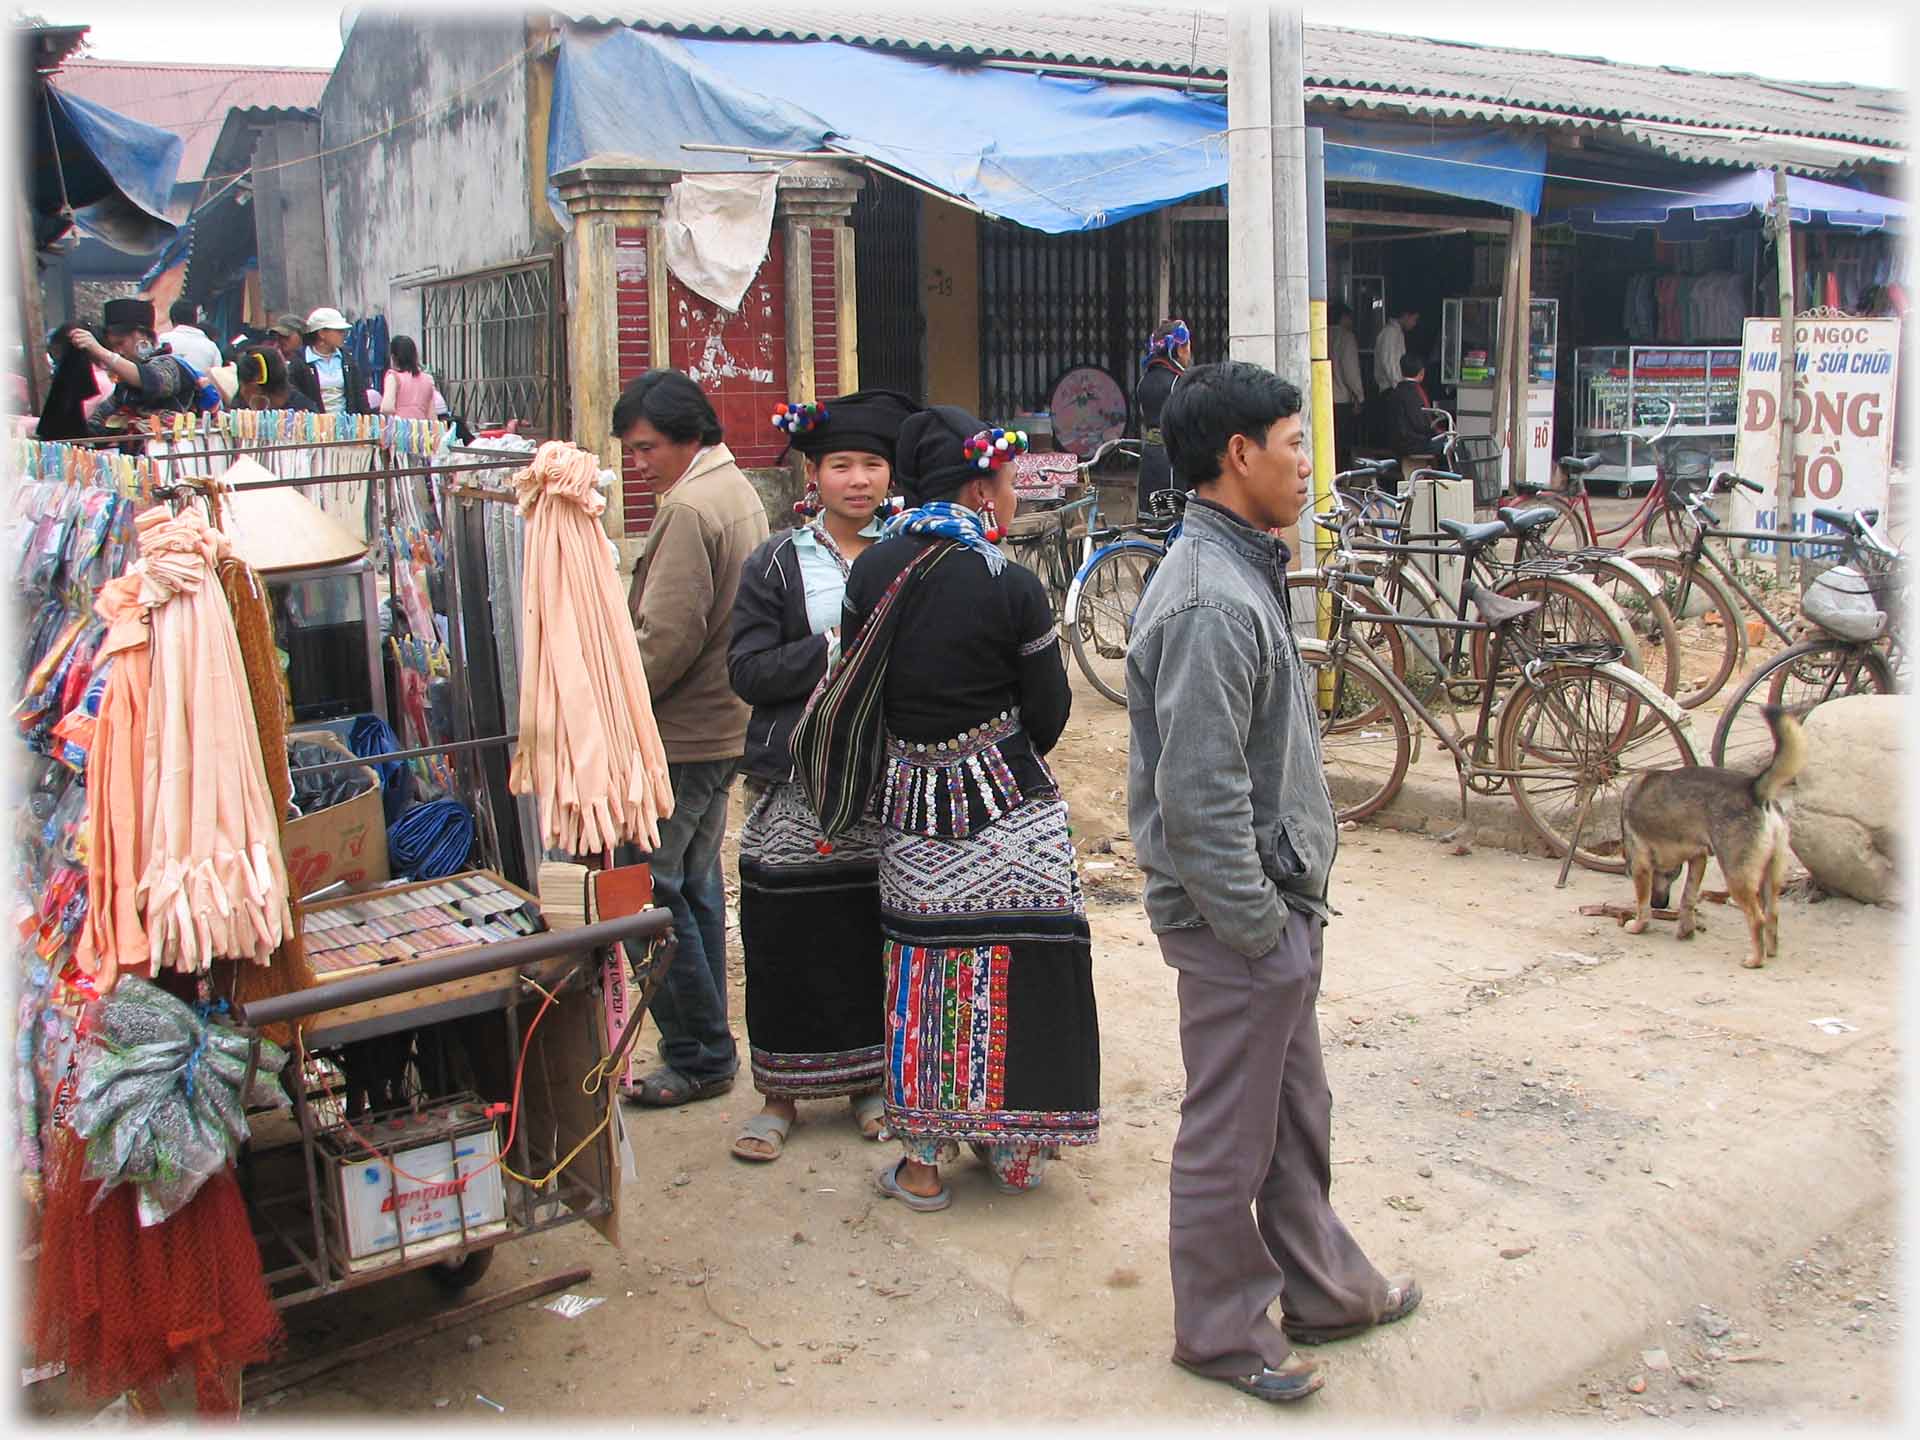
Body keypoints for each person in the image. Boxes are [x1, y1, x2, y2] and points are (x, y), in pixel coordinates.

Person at [1125, 360, 1419, 1404]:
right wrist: (1260, 935)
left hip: (1273, 909)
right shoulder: (1209, 597)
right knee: (1229, 1133)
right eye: (1297, 444)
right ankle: (1216, 1332)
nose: (1309, 465)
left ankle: (1328, 1289)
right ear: (1238, 456)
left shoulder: (1244, 564)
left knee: (1295, 1117)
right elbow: (1198, 806)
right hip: (1237, 920)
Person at [834, 405, 1101, 1210]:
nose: (1014, 496)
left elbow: (858, 696)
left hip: (913, 817)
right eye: (1011, 481)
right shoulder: (1010, 584)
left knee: (923, 975)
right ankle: (1016, 1155)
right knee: (1023, 964)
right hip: (1011, 811)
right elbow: (1047, 714)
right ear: (984, 485)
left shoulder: (869, 573)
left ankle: (920, 1164)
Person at [726, 388, 920, 1163]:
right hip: (794, 782)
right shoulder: (774, 563)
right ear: (814, 472)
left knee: (865, 930)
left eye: (873, 464)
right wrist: (836, 648)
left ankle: (869, 1085)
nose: (859, 479)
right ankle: (779, 1095)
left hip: (880, 776)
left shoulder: (909, 554)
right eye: (842, 464)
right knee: (784, 931)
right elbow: (748, 669)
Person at [616, 369, 771, 1109]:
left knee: (645, 891)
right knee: (693, 884)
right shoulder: (733, 488)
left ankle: (699, 1052)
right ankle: (708, 1045)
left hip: (685, 731)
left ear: (686, 437)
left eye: (646, 450)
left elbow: (664, 638)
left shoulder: (689, 508)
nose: (637, 465)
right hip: (724, 724)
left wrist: (606, 707)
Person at [67, 298, 220, 440]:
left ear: (143, 336)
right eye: (113, 347)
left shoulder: (170, 365)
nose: (118, 351)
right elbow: (97, 421)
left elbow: (153, 382)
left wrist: (101, 352)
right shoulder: (125, 388)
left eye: (121, 343)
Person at [1135, 318, 1192, 514]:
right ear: (1180, 349)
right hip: (1173, 459)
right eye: (1187, 347)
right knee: (1173, 518)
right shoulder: (1179, 382)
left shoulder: (1145, 380)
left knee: (1155, 518)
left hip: (1151, 455)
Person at [290, 306, 371, 417]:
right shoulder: (300, 363)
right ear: (321, 333)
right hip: (314, 428)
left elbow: (360, 396)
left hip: (346, 426)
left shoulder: (348, 360)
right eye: (338, 331)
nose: (343, 334)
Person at [1386, 352, 1443, 492]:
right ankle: (1445, 486)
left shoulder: (1396, 392)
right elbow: (1420, 424)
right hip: (1412, 442)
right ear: (1422, 373)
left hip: (1399, 440)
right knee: (1451, 446)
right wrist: (1436, 432)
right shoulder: (1412, 393)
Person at [1329, 302, 1364, 474]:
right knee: (1342, 446)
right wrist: (1360, 396)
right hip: (1342, 400)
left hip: (1323, 398)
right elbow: (1351, 370)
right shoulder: (1346, 337)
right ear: (1343, 317)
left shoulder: (1322, 334)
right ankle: (1342, 480)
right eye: (1349, 317)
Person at [233, 344, 319, 412]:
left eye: (242, 384)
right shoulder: (240, 408)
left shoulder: (304, 417)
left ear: (256, 381)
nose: (241, 391)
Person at [380, 335, 439, 420]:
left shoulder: (393, 377)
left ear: (393, 357)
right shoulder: (428, 380)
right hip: (421, 429)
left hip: (400, 429)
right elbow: (432, 416)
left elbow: (387, 408)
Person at [161, 301, 224, 374]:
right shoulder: (211, 346)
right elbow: (218, 378)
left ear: (172, 319)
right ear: (196, 319)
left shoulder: (162, 340)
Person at [1372, 307, 1418, 397]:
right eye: (1414, 319)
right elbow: (1389, 363)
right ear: (1406, 316)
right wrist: (1399, 387)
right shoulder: (1390, 332)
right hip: (1391, 388)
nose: (1414, 324)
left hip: (1394, 387)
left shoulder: (1397, 332)